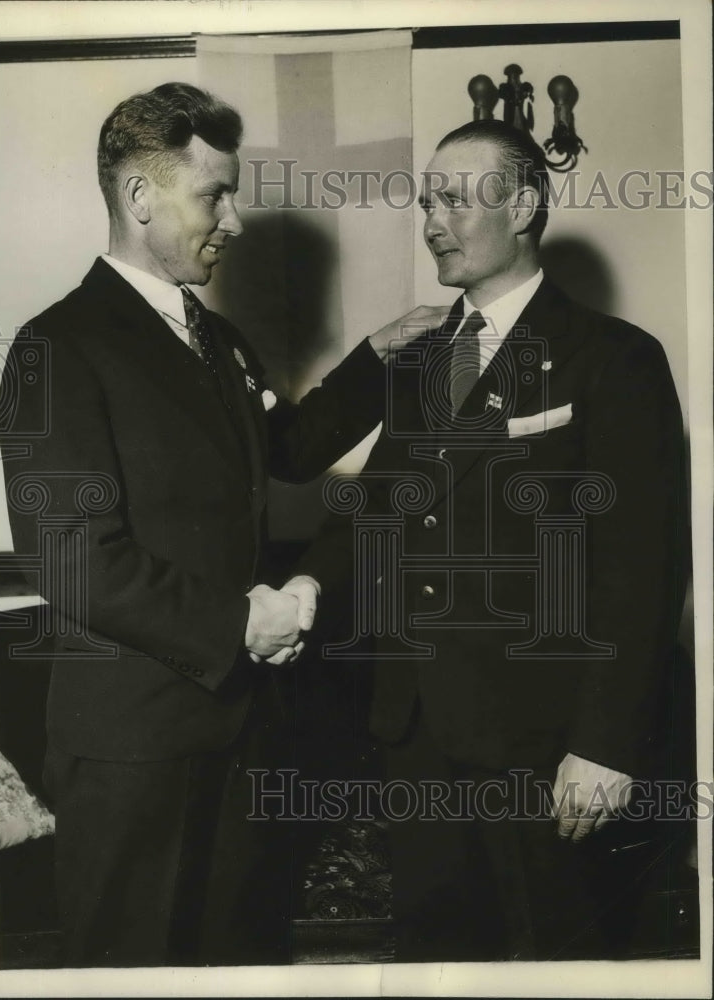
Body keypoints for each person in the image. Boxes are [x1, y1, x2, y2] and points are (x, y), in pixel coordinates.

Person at [0, 82, 443, 967]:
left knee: (236, 961)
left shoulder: (218, 339)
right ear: (138, 198)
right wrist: (243, 622)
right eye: (215, 194)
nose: (233, 220)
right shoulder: (56, 347)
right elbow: (74, 562)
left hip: (242, 733)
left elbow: (285, 449)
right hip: (132, 756)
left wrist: (378, 358)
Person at [299, 120, 690, 960]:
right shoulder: (418, 357)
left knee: (564, 957)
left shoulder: (615, 359)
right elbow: (375, 512)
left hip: (545, 742)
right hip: (417, 734)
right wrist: (301, 589)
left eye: (454, 198)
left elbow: (640, 569)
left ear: (521, 206)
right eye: (425, 200)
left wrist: (604, 744)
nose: (432, 219)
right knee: (436, 957)